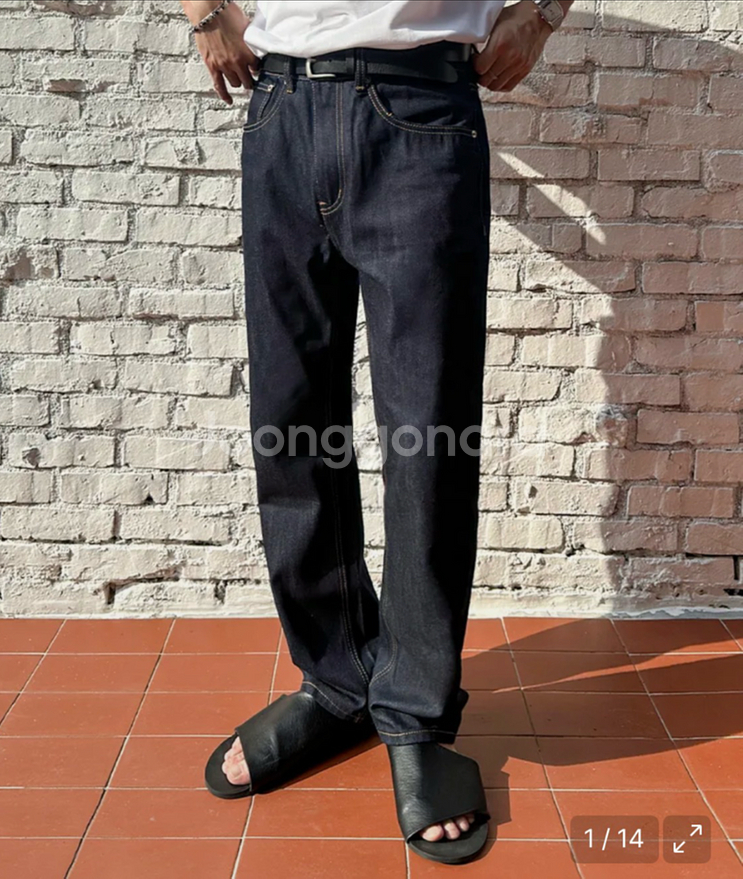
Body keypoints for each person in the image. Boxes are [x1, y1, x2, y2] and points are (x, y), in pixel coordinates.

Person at [180, 0, 572, 865]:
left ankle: (417, 715)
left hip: (420, 104)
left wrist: (542, 14)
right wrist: (205, 12)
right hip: (281, 107)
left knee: (427, 433)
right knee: (289, 419)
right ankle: (336, 681)